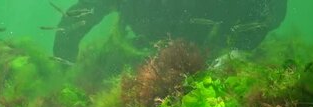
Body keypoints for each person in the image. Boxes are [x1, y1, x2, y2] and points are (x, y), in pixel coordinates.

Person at [53, 0, 288, 61]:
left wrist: (240, 49)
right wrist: (62, 63)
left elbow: (270, 8)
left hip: (218, 42)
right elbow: (79, 16)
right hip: (149, 54)